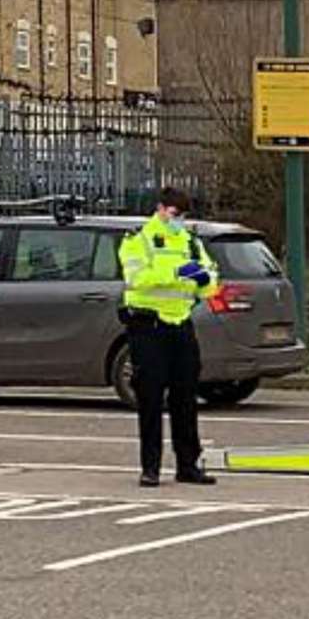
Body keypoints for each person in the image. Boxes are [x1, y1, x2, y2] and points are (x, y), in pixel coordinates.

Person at [118, 186, 222, 487]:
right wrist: (178, 273)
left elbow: (211, 281)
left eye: (184, 215)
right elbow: (136, 278)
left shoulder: (190, 242)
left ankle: (187, 465)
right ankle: (150, 468)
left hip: (181, 324)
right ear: (161, 209)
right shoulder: (139, 239)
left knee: (186, 398)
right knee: (150, 398)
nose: (180, 220)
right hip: (148, 326)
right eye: (176, 214)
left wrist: (204, 280)